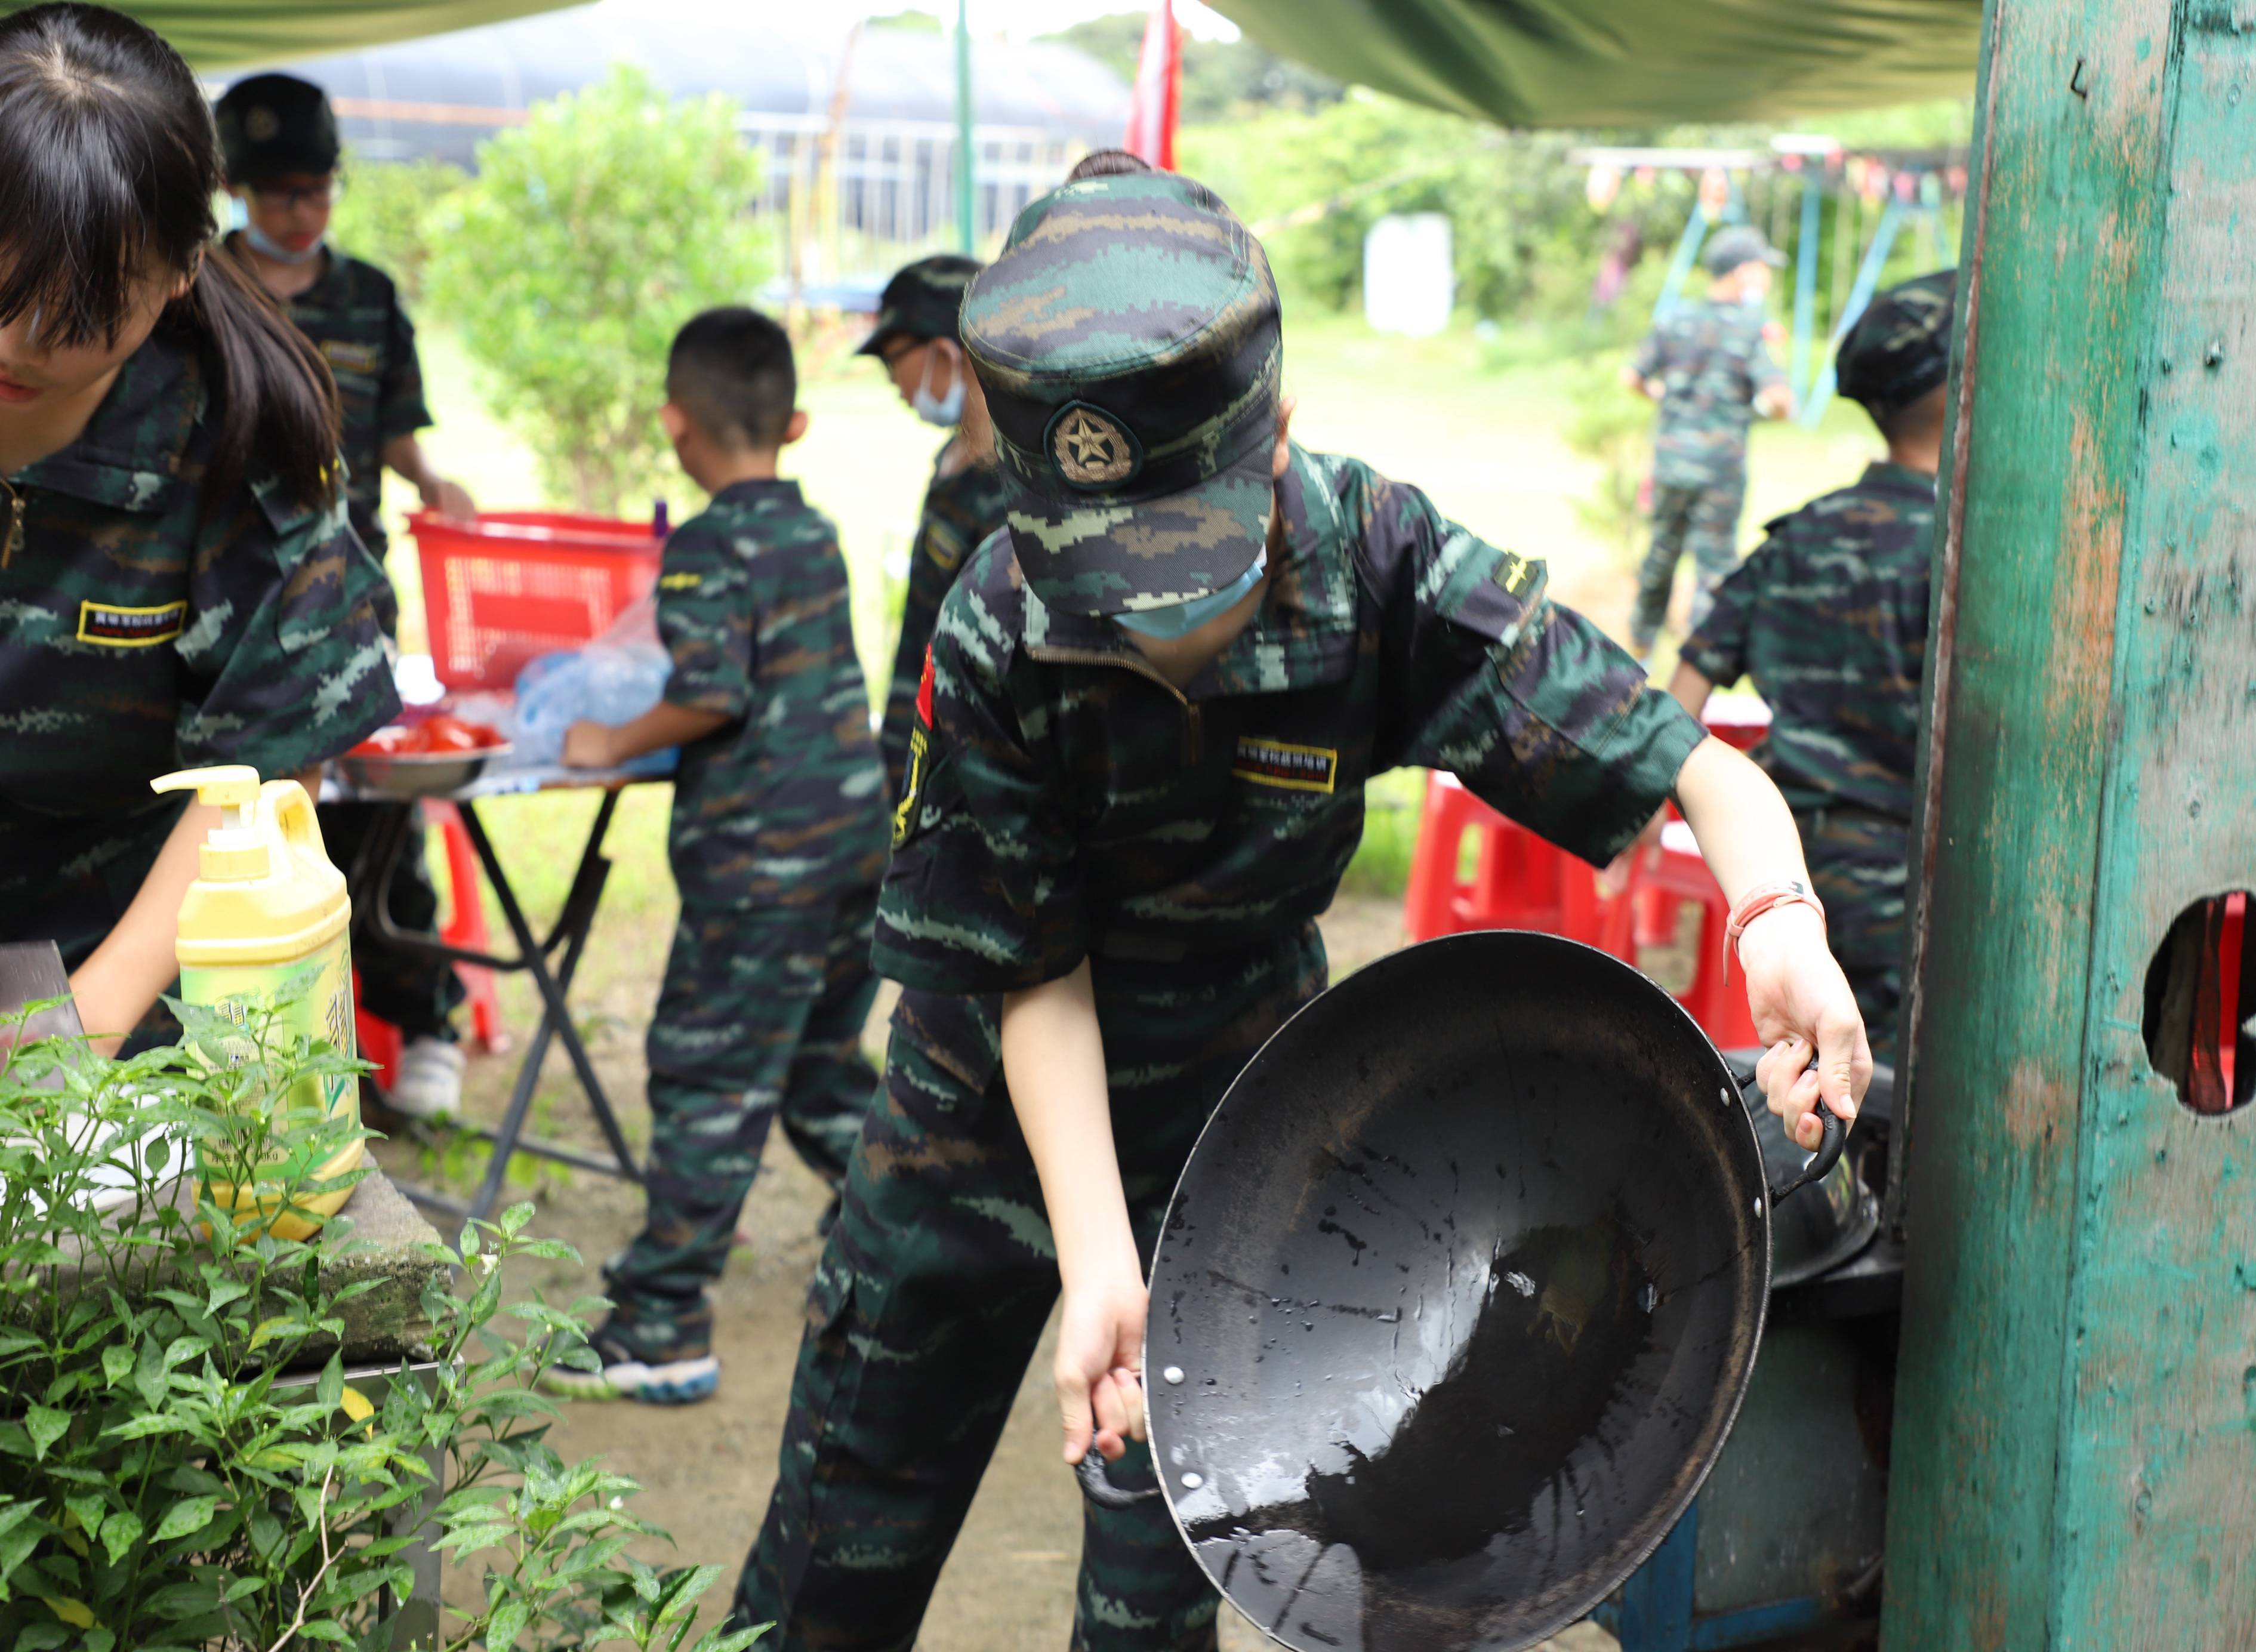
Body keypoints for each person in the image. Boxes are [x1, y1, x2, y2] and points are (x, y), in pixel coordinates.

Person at [731, 171, 1869, 1651]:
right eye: (1106, 585)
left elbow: (1692, 770)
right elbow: (1035, 972)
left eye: (1183, 568)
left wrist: (1776, 915)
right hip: (980, 1117)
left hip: (1239, 1137)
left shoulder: (1383, 564)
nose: (1148, 628)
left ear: (1270, 436)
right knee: (838, 1544)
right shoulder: (1000, 623)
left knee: (1167, 1582)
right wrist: (1094, 1260)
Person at [0, 2, 399, 1058]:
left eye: (78, 308)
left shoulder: (242, 445)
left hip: (132, 969)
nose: (18, 342)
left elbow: (266, 766)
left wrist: (82, 1022)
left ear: (180, 269)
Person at [553, 307, 888, 1405]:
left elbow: (710, 692)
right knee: (818, 1067)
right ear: (789, 423)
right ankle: (918, 1237)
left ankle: (662, 1322)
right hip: (850, 846)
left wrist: (611, 739)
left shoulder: (704, 544)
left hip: (761, 870)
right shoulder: (811, 529)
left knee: (709, 1079)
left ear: (676, 423)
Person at [215, 70, 478, 1118]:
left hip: (351, 600)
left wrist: (435, 483)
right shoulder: (199, 288)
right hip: (223, 604)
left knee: (377, 825)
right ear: (234, 189)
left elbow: (397, 429)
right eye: (279, 193)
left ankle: (424, 1022)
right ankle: (256, 1056)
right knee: (241, 831)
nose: (301, 212)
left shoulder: (369, 294)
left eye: (317, 189)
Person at [1669, 271, 1956, 1037]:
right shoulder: (1960, 557)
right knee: (1897, 1093)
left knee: (1802, 1083)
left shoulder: (1796, 535)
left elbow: (1680, 696)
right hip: (1913, 882)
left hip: (1785, 869)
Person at [853, 255, 1009, 802]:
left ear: (945, 351)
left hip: (966, 781)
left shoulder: (1012, 491)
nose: (892, 381)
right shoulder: (953, 464)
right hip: (913, 755)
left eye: (892, 358)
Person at [1622, 224, 1794, 649]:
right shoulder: (1748, 329)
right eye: (1762, 268)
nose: (1766, 278)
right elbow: (1779, 400)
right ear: (1743, 274)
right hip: (1720, 469)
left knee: (1661, 554)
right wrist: (1758, 410)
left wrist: (1662, 394)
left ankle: (1639, 649)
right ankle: (1697, 661)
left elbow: (1631, 376)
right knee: (1715, 566)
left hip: (1672, 463)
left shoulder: (1675, 320)